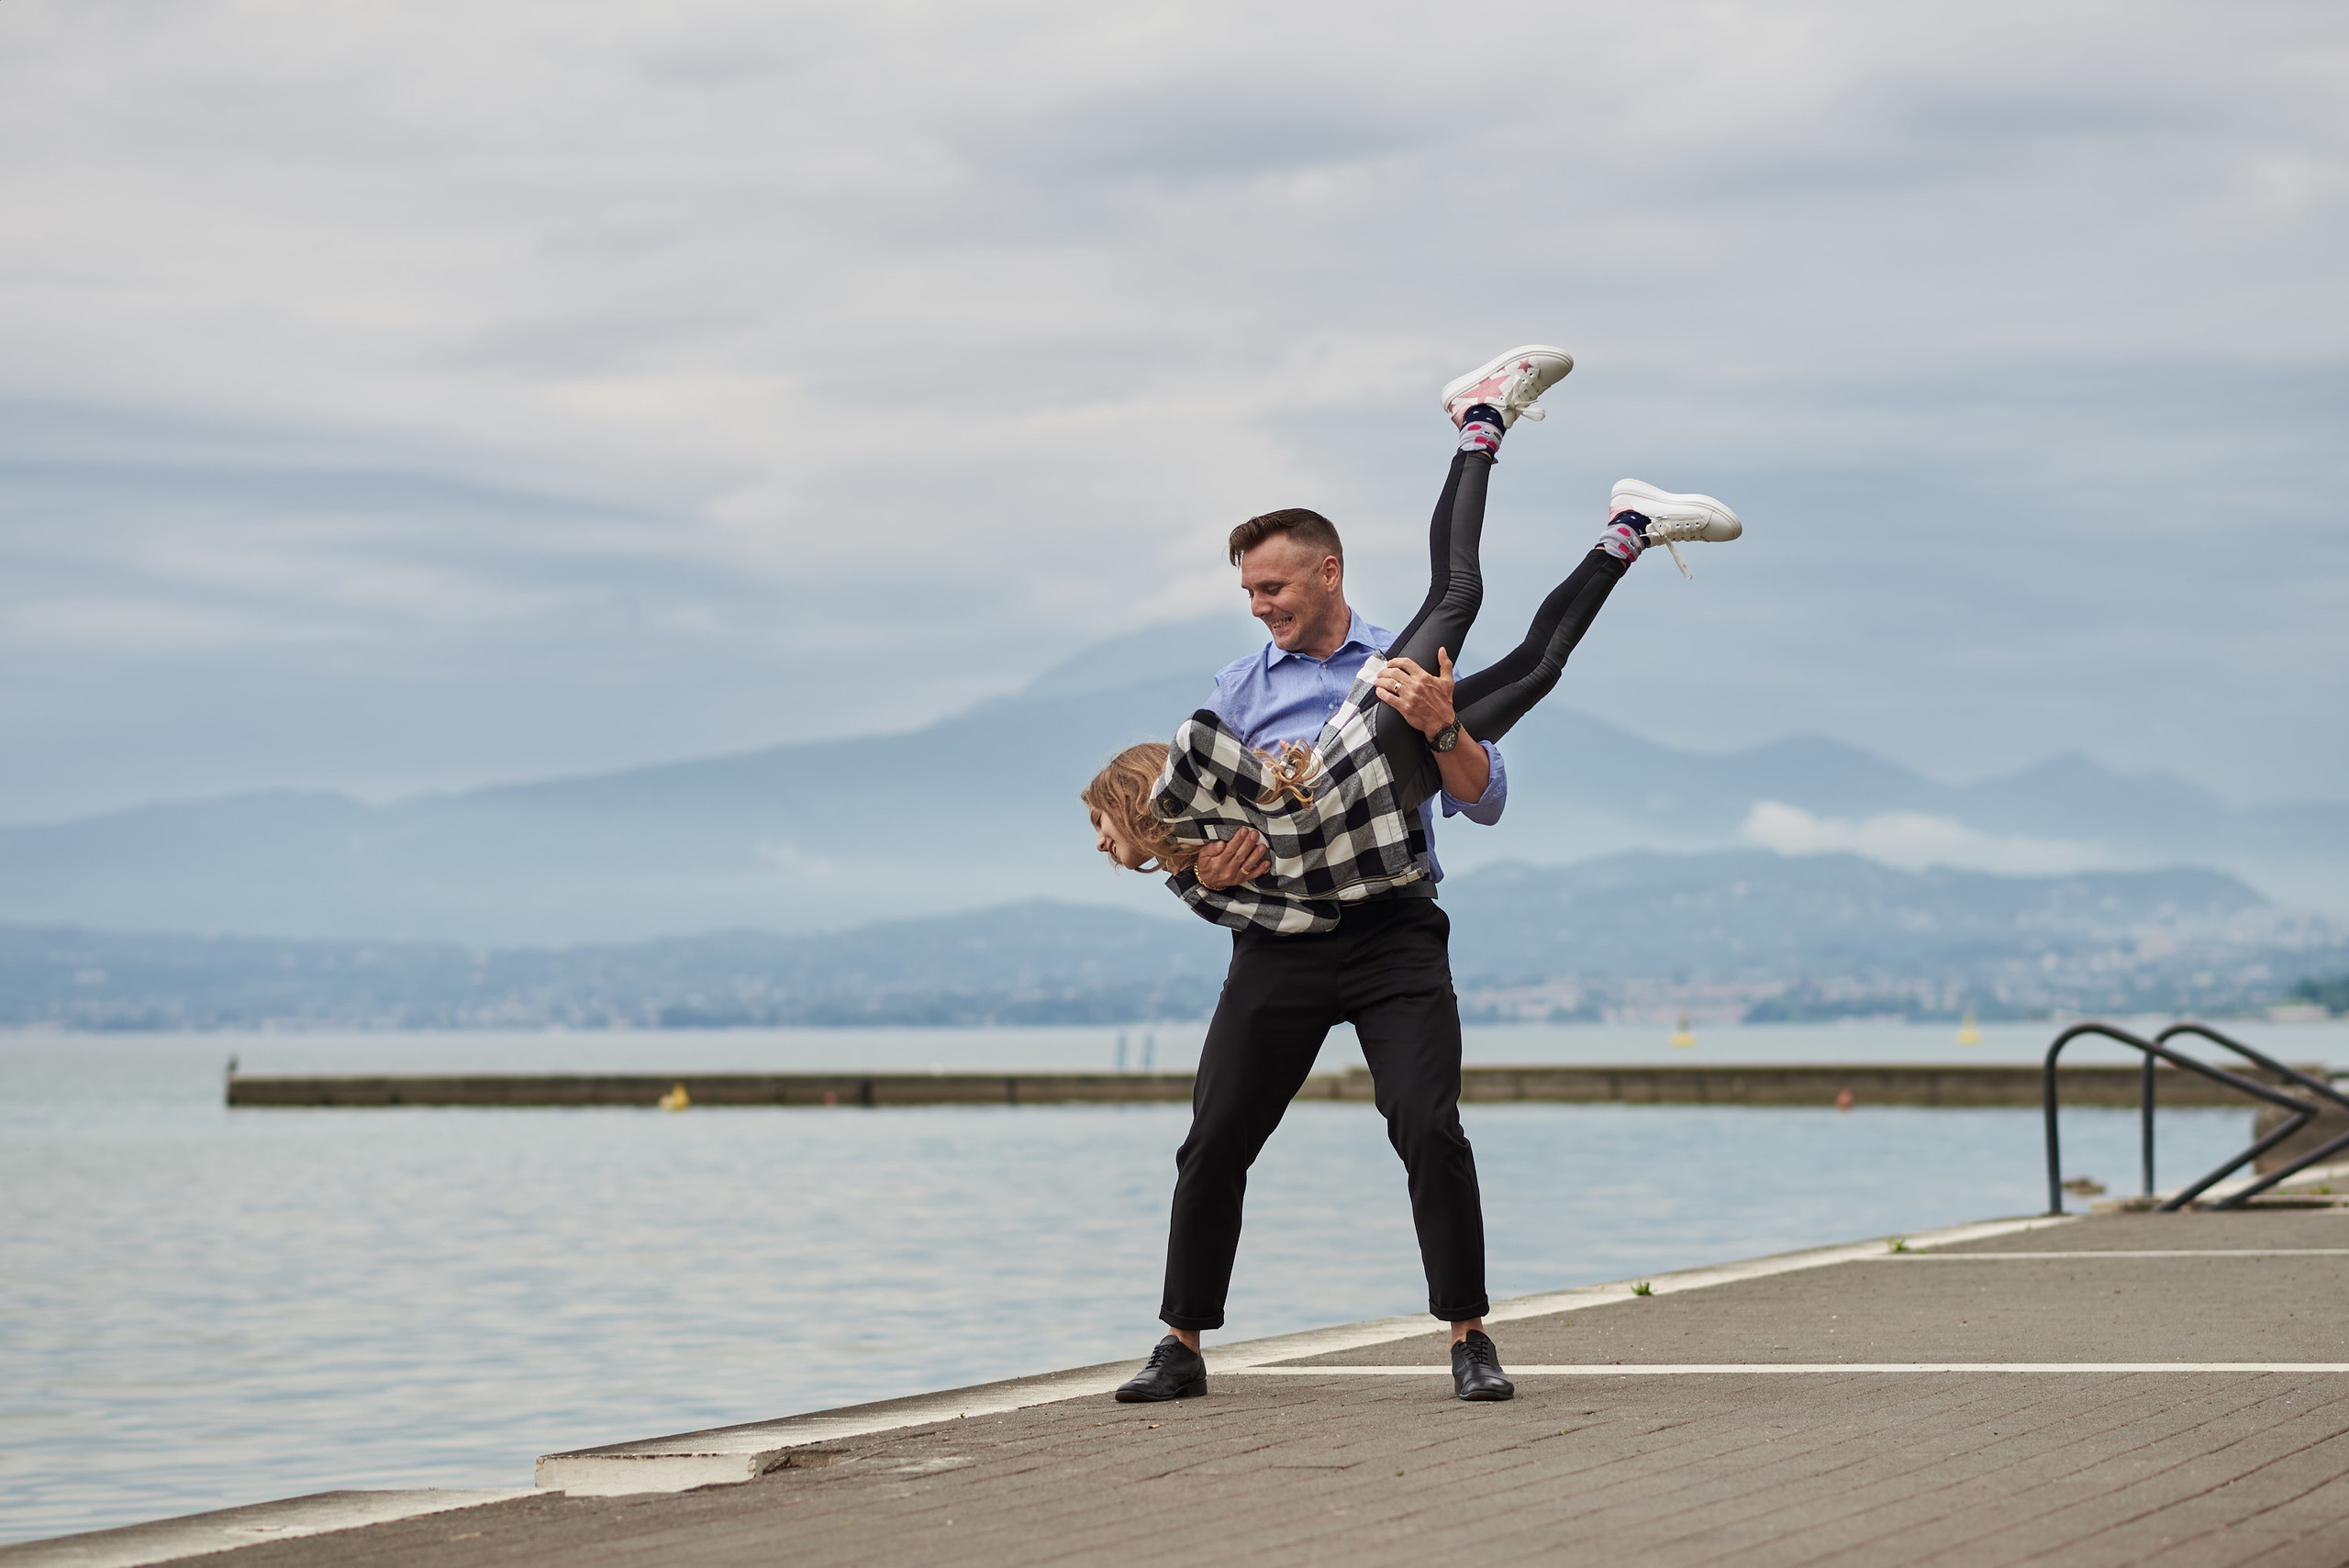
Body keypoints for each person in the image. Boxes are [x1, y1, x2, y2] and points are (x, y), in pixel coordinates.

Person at [1081, 345, 1742, 1404]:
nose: (1258, 605)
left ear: (1327, 573)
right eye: (1248, 590)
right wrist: (1213, 859)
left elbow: (1483, 796)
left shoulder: (1394, 660)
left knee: (1429, 1126)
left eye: (1272, 586)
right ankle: (1180, 1343)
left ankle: (1468, 1336)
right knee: (1212, 1141)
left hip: (1392, 931)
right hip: (1282, 946)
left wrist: (1440, 728)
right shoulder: (1235, 687)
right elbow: (1203, 817)